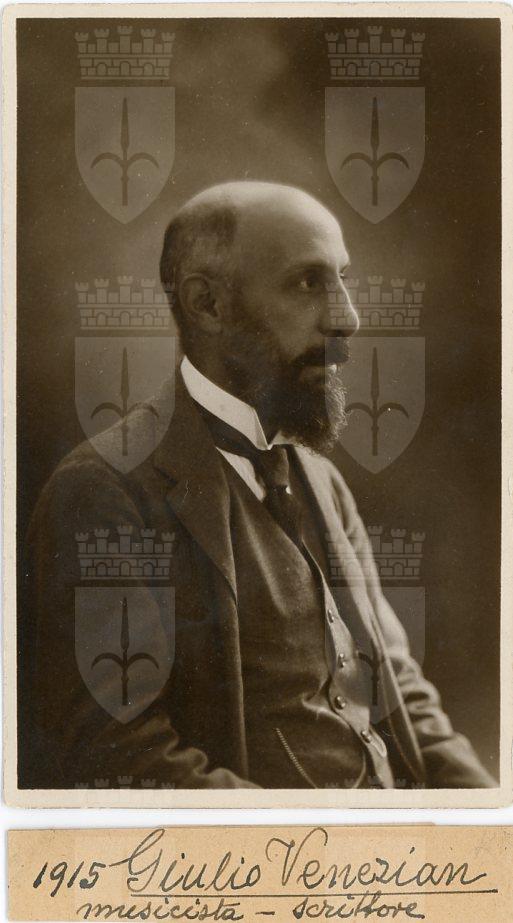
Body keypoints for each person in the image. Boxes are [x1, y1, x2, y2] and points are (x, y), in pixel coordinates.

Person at [23, 182, 495, 789]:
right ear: (207, 305)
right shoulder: (102, 493)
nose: (347, 318)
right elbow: (119, 755)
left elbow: (399, 688)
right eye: (307, 283)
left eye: (343, 278)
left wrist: (485, 819)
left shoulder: (320, 479)